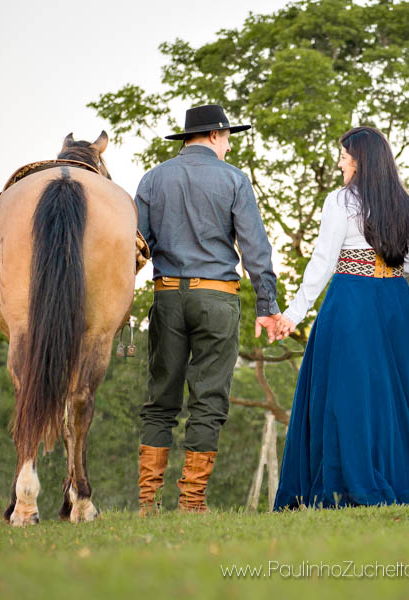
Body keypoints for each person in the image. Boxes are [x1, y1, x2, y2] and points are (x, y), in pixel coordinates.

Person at [273, 126, 409, 509]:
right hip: (397, 305)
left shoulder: (341, 201)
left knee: (351, 395)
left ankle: (349, 483)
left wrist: (294, 313)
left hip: (351, 303)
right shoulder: (407, 206)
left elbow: (324, 261)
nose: (341, 162)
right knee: (404, 397)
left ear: (360, 160)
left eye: (345, 156)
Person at [135, 104, 283, 515]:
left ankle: (148, 503)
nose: (229, 145)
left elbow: (136, 247)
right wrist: (267, 306)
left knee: (160, 400)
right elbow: (256, 249)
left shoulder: (152, 179)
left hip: (166, 295)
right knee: (208, 400)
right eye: (229, 137)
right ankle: (192, 502)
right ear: (217, 136)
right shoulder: (234, 180)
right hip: (217, 298)